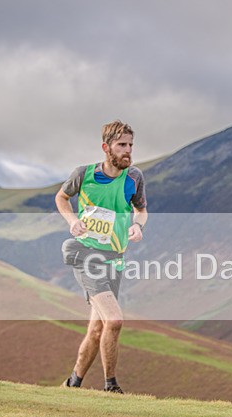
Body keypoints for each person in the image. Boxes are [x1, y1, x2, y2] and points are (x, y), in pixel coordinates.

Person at [55, 120, 148, 394]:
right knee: (115, 320)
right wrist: (72, 221)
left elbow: (142, 210)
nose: (128, 151)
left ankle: (72, 384)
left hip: (115, 259)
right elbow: (61, 197)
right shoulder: (83, 174)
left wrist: (137, 225)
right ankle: (111, 386)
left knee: (97, 329)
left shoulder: (134, 178)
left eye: (130, 145)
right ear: (106, 148)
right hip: (86, 255)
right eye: (121, 145)